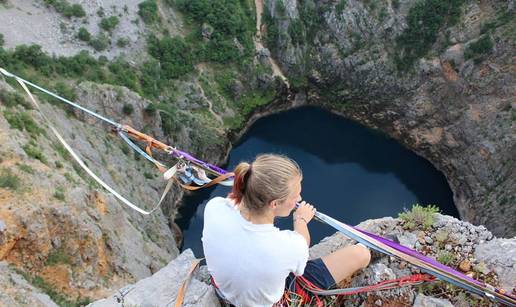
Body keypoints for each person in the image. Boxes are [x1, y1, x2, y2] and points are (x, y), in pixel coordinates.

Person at [202, 154, 371, 307]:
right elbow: (302, 247)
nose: (299, 199)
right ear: (274, 203)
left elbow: (235, 204)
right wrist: (301, 220)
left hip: (224, 292)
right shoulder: (285, 247)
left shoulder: (215, 207)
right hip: (261, 302)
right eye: (295, 196)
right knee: (360, 254)